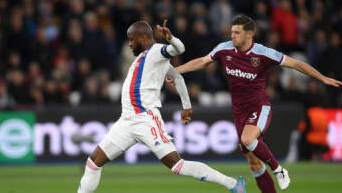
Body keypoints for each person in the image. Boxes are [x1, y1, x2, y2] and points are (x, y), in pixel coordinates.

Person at [174, 15, 342, 193]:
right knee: (254, 163)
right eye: (231, 32)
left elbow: (296, 64)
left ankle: (279, 170)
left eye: (237, 33)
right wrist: (175, 71)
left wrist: (322, 78)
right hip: (239, 112)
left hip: (259, 107)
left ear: (249, 34)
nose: (232, 36)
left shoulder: (263, 53)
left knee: (247, 139)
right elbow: (202, 61)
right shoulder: (224, 49)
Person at [77, 20, 247, 193]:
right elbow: (177, 77)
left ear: (143, 37)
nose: (129, 43)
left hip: (145, 119)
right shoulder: (147, 58)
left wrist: (171, 38)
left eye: (131, 39)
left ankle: (232, 184)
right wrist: (186, 106)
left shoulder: (157, 51)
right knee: (93, 162)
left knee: (177, 165)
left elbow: (179, 49)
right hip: (126, 122)